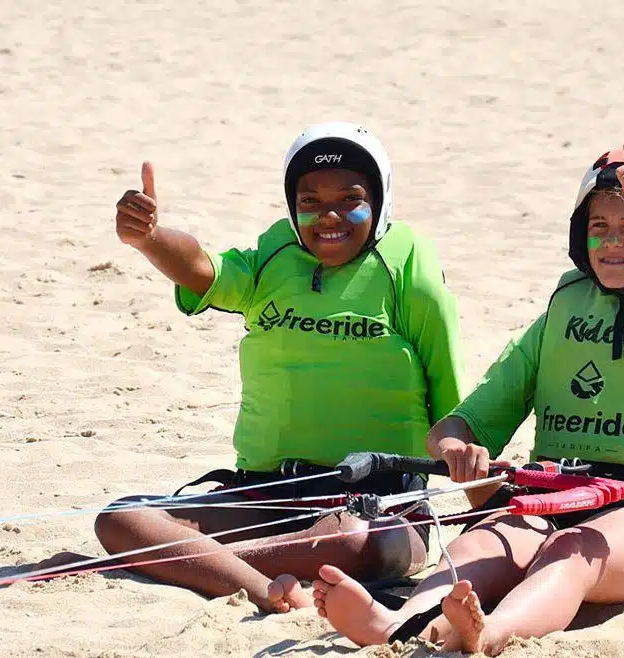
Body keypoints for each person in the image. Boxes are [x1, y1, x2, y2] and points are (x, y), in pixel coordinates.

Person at [310, 143, 624, 654]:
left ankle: (490, 634)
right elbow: (455, 428)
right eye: (599, 226)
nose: (612, 241)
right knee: (486, 539)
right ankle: (405, 625)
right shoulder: (562, 311)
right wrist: (458, 448)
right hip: (553, 499)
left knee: (573, 548)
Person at [87, 122, 464, 613]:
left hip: (374, 503)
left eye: (350, 199)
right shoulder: (273, 257)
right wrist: (151, 238)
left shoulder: (410, 274)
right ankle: (263, 587)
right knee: (119, 519)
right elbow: (204, 270)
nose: (329, 216)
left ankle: (201, 564)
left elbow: (455, 419)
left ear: (381, 199)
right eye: (309, 202)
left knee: (354, 543)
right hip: (265, 494)